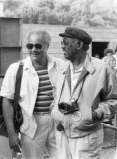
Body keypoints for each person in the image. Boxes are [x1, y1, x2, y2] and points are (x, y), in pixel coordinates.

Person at [51, 27, 117, 159]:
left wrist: (95, 114)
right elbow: (55, 95)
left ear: (79, 44)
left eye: (66, 42)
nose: (62, 46)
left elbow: (114, 100)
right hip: (62, 134)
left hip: (87, 137)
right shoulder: (61, 69)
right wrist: (55, 110)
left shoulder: (101, 68)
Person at [0, 30, 64, 159]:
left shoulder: (61, 65)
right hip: (32, 124)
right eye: (30, 46)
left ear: (47, 46)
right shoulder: (16, 68)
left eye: (38, 46)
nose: (33, 49)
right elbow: (7, 101)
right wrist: (12, 134)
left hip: (58, 122)